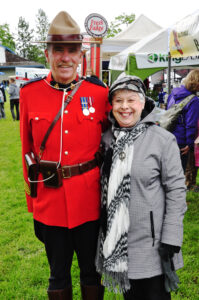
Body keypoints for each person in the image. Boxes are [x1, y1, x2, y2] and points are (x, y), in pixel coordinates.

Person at [20, 11, 110, 300]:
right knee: (57, 273)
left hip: (89, 200)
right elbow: (26, 150)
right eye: (58, 50)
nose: (65, 58)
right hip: (51, 200)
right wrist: (33, 202)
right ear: (47, 54)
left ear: (81, 55)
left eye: (72, 51)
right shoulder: (30, 93)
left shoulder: (98, 92)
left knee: (91, 272)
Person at [95, 75, 187, 300]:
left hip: (153, 244)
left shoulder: (162, 140)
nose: (124, 106)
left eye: (131, 100)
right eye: (118, 101)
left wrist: (172, 236)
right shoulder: (107, 140)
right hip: (121, 243)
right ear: (112, 105)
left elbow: (176, 190)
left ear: (143, 103)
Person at [166, 70, 199, 172]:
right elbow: (190, 125)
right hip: (181, 141)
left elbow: (168, 111)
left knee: (168, 171)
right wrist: (189, 144)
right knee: (179, 174)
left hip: (168, 137)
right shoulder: (194, 100)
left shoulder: (173, 93)